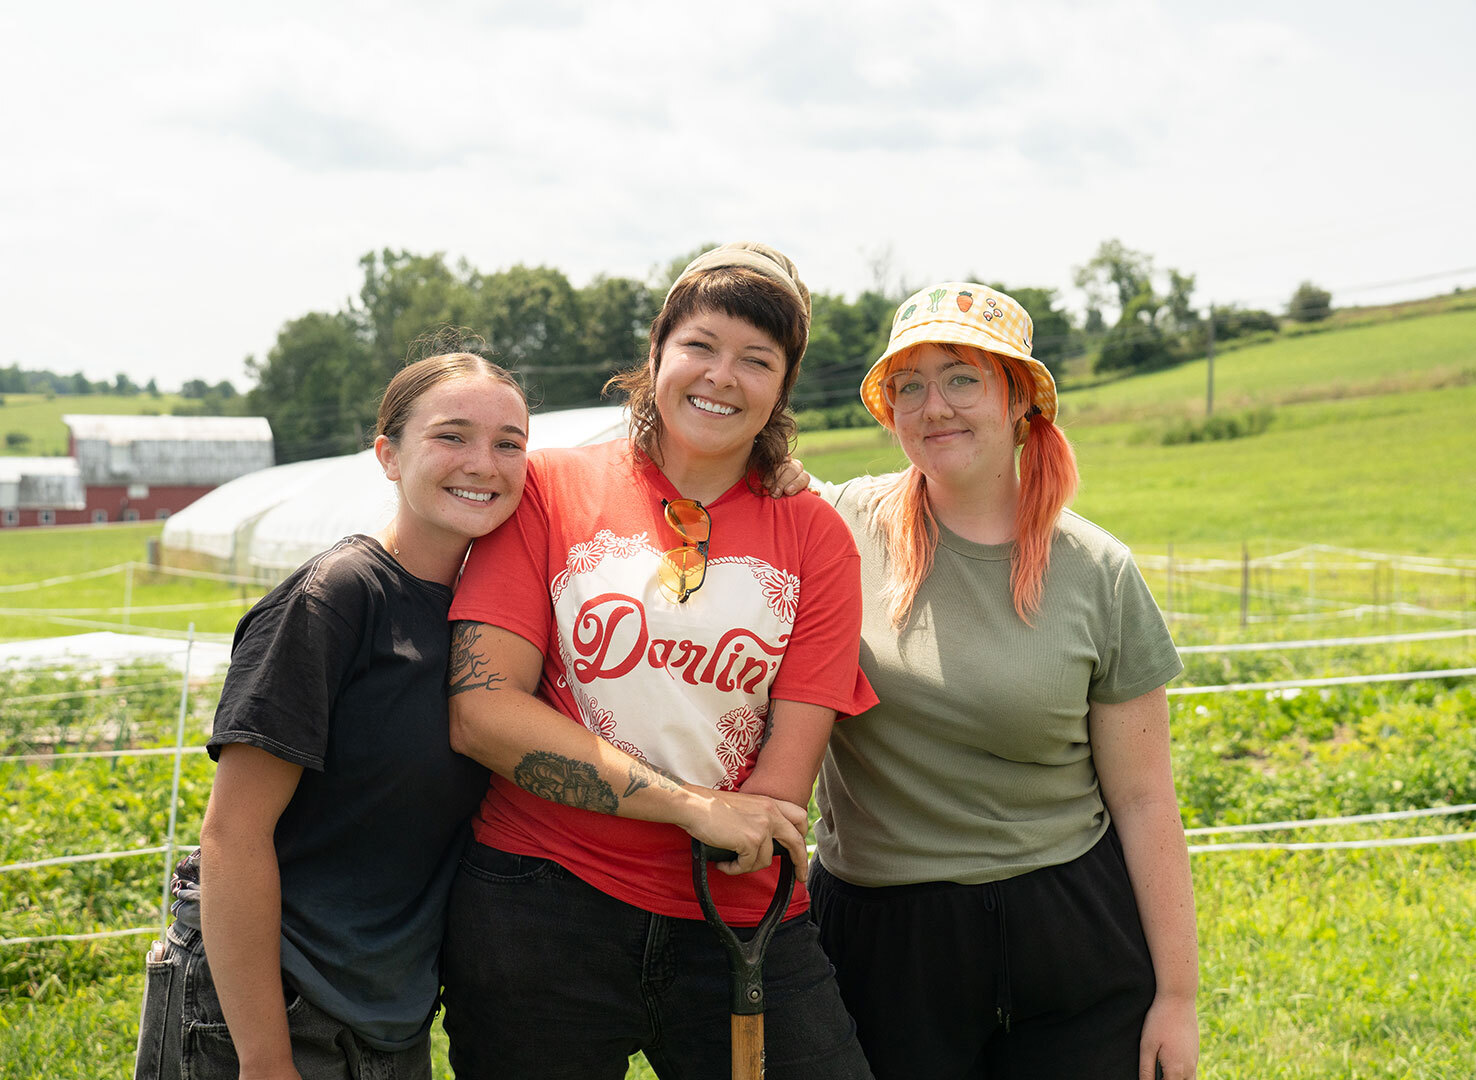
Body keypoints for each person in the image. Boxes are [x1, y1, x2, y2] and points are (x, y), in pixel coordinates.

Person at [441, 242, 878, 1079]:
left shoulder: (815, 535)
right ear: (656, 354)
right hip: (541, 902)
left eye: (758, 360)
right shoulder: (547, 488)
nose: (722, 376)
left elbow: (783, 785)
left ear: (783, 389)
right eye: (701, 346)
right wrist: (689, 808)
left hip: (738, 913)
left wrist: (735, 825)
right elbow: (483, 712)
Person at [803, 283, 1200, 1080]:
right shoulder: (834, 527)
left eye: (960, 378)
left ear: (1020, 399)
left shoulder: (1098, 572)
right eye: (908, 386)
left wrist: (1178, 997)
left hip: (1073, 935)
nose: (932, 406)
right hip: (888, 942)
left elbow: (1145, 797)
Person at [133, 346, 531, 1080]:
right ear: (387, 454)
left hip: (388, 1018)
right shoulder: (335, 599)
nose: (485, 462)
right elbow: (232, 832)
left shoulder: (489, 622)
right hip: (272, 1004)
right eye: (451, 436)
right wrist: (263, 1059)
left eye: (510, 443)